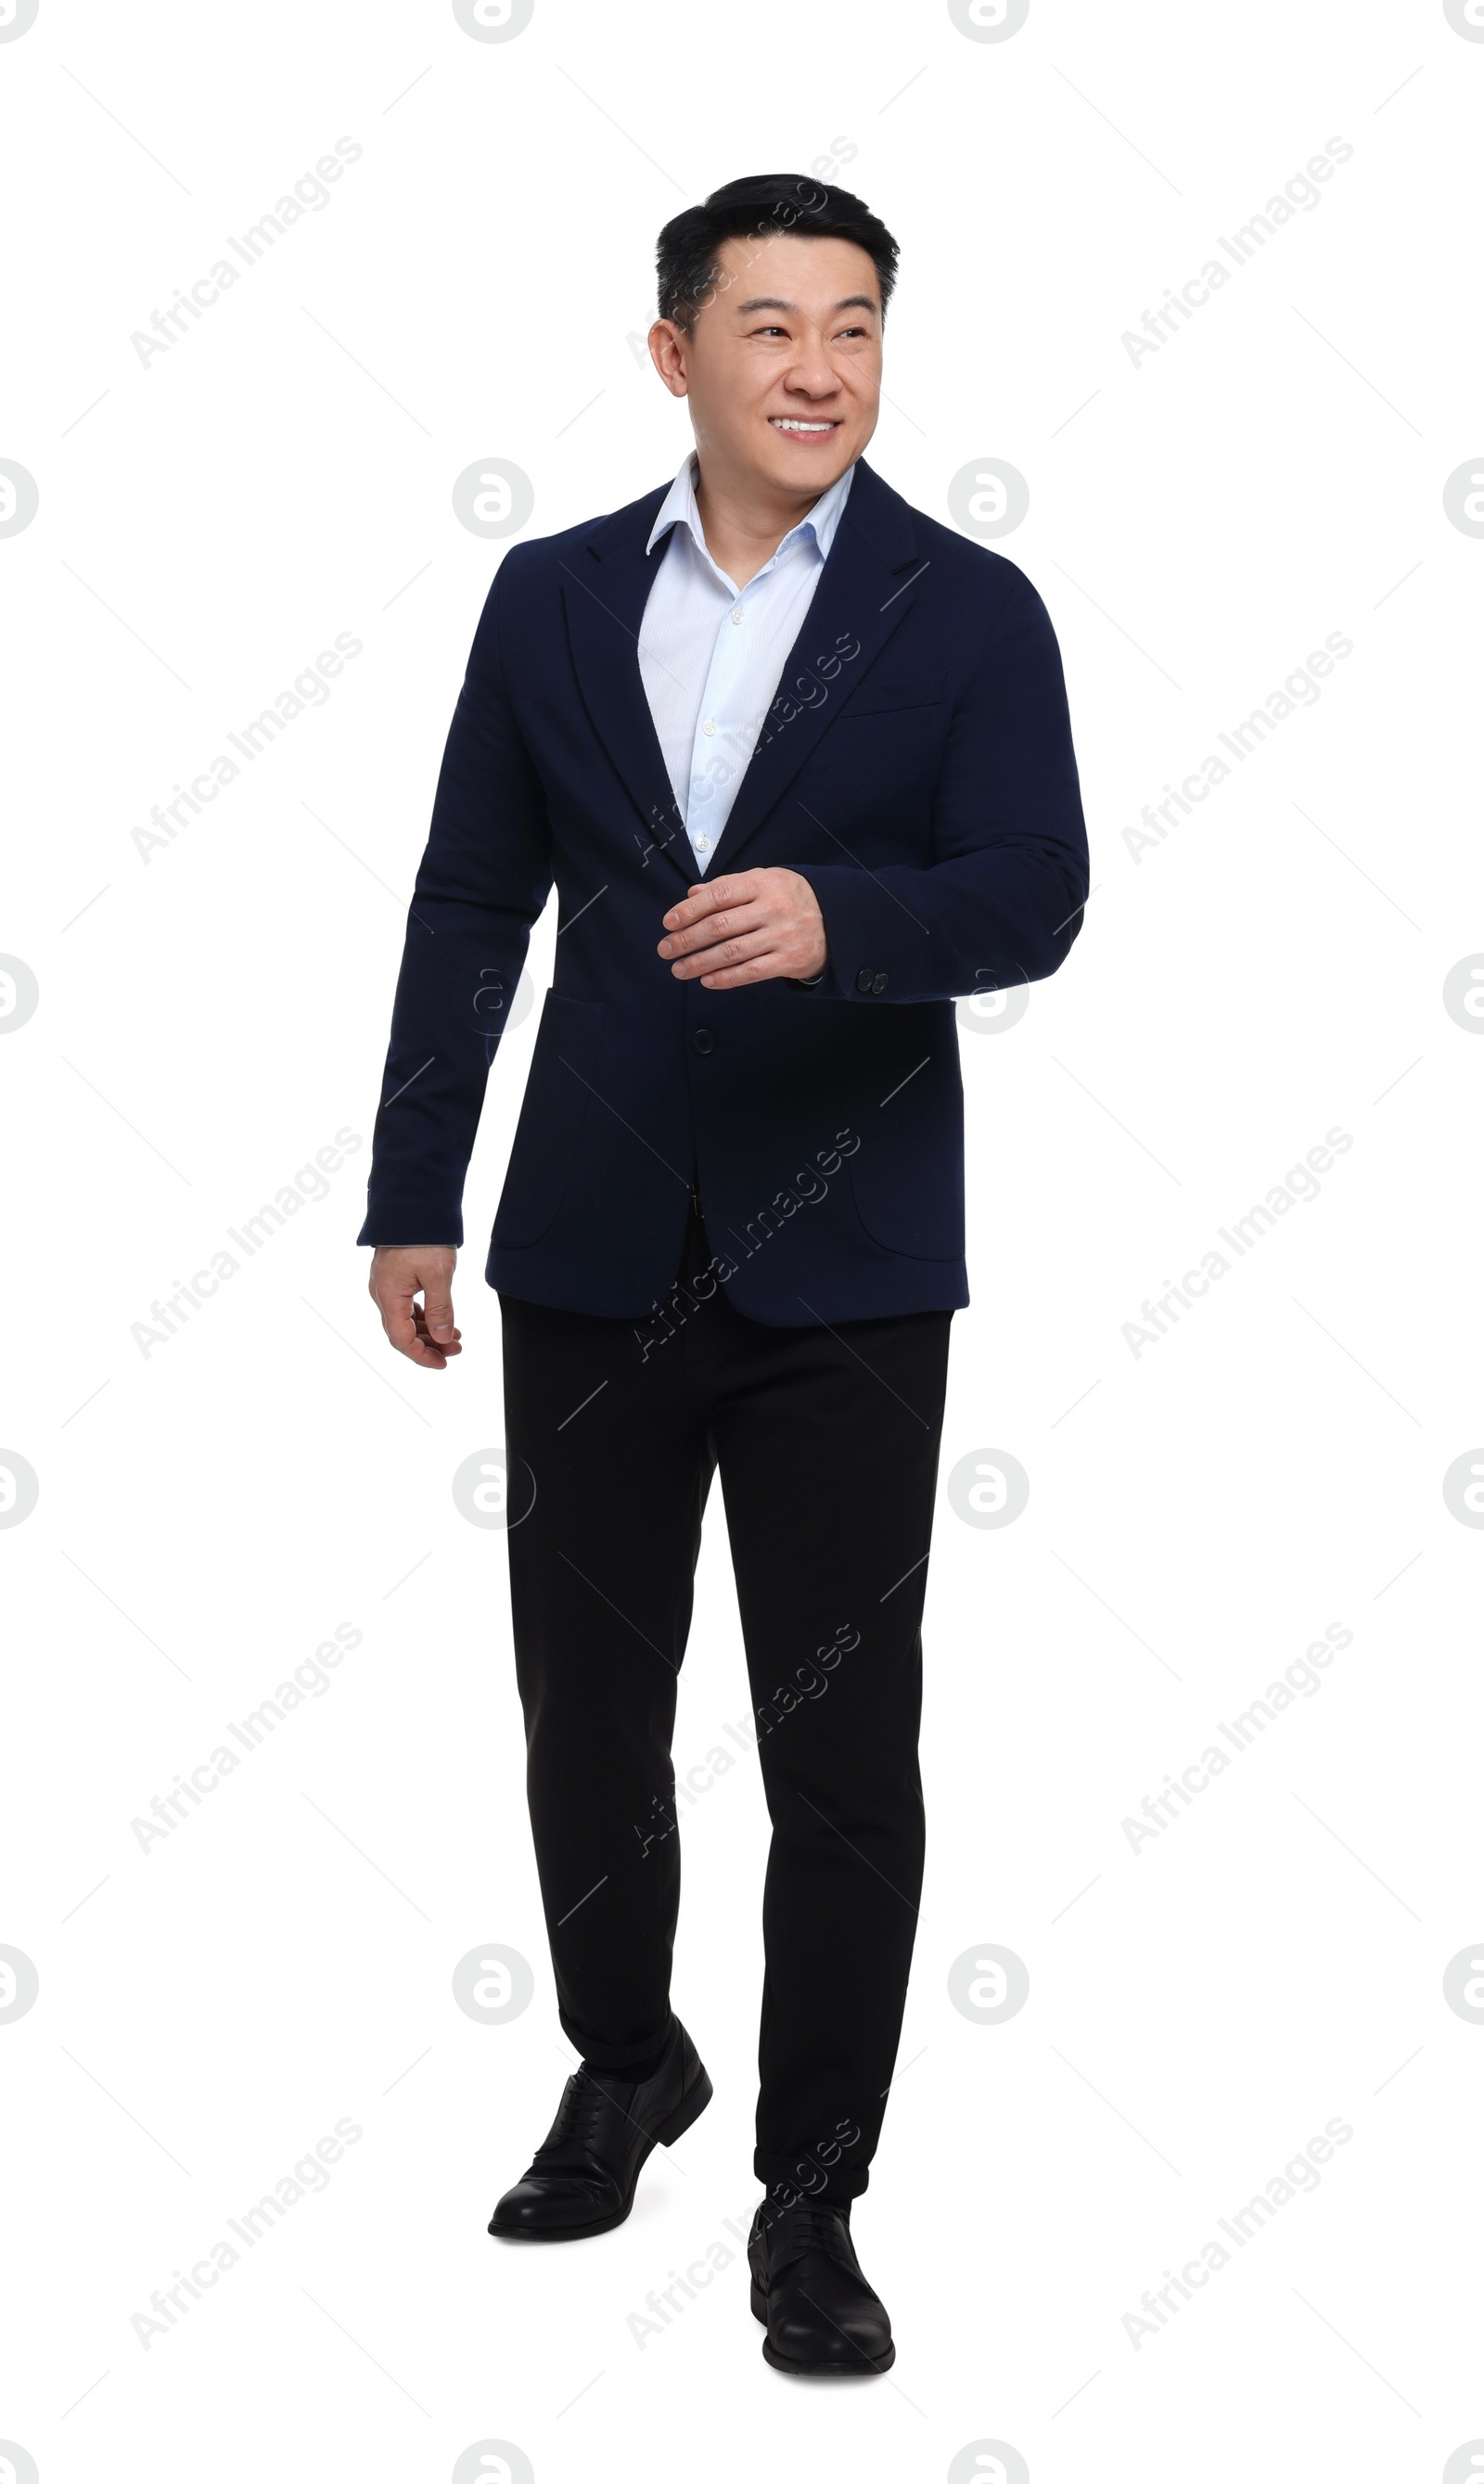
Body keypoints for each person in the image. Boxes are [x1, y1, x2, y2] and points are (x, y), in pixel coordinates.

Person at [358, 171, 1088, 2376]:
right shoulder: (553, 596)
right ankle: (625, 2062)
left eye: (851, 326)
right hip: (586, 1248)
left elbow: (1033, 891)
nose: (817, 371)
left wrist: (846, 922)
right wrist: (411, 1190)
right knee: (586, 1716)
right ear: (673, 355)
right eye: (767, 328)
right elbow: (470, 893)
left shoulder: (969, 611)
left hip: (845, 1265)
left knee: (838, 1738)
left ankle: (812, 2183)